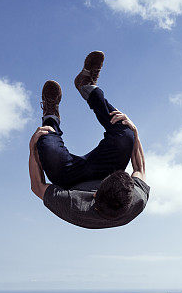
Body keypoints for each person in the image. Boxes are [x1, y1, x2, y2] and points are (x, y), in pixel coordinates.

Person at [28, 51, 149, 229]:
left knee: (44, 141)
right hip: (104, 168)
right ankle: (87, 86)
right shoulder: (137, 199)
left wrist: (32, 149)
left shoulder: (72, 205)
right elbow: (139, 168)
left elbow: (37, 187)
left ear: (93, 196)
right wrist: (134, 131)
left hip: (69, 180)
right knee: (125, 133)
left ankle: (50, 115)